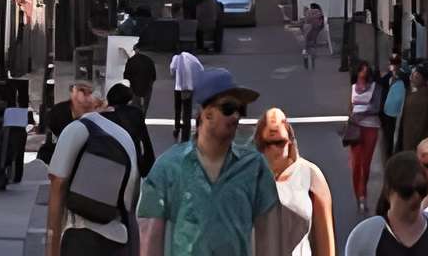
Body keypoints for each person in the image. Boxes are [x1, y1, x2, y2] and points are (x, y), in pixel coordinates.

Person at [137, 63, 285, 255]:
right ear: (206, 113)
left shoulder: (255, 167)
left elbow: (270, 237)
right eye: (228, 108)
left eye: (241, 109)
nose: (236, 116)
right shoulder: (168, 167)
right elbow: (149, 239)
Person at [47, 73, 141, 255]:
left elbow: (57, 188)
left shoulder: (75, 130)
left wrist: (51, 248)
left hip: (80, 238)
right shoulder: (124, 137)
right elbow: (132, 200)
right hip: (120, 239)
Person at [256, 105, 337, 256]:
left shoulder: (310, 174)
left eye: (279, 143)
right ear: (261, 144)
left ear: (289, 140)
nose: (275, 150)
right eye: (269, 144)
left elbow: (326, 243)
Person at [341, 151, 428, 254]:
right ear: (388, 191)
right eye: (407, 191)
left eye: (421, 189)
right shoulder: (366, 236)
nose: (415, 197)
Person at [346, 61, 385, 212]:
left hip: (370, 127)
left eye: (366, 70)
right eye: (361, 69)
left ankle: (363, 195)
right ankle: (358, 195)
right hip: (355, 128)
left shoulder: (375, 88)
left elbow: (375, 107)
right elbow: (350, 108)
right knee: (356, 163)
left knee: (365, 163)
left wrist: (359, 114)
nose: (364, 72)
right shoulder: (353, 88)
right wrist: (352, 118)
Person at [108, 81, 158, 178]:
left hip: (111, 162)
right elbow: (145, 141)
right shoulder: (136, 113)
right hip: (132, 162)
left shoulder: (104, 116)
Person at [400, 66, 428, 152]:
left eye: (416, 76)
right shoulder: (414, 94)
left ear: (424, 78)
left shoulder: (425, 95)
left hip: (417, 136)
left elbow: (423, 119)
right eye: (412, 76)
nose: (412, 79)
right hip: (409, 133)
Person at [171, 44, 203, 142]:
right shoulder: (193, 59)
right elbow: (201, 69)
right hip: (189, 88)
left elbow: (172, 69)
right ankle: (186, 131)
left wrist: (174, 75)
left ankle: (177, 127)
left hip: (178, 87)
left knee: (177, 109)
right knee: (187, 110)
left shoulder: (176, 58)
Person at [383, 62, 409, 157]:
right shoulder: (390, 79)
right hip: (389, 113)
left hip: (397, 113)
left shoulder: (402, 80)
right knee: (390, 136)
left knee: (395, 136)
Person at [301, 3, 332, 71]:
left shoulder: (309, 12)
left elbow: (305, 19)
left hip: (307, 27)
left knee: (306, 45)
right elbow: (321, 23)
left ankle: (305, 58)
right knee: (312, 44)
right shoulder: (319, 13)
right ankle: (312, 62)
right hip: (315, 29)